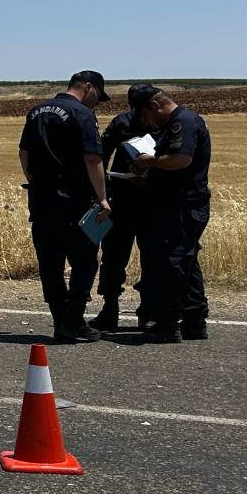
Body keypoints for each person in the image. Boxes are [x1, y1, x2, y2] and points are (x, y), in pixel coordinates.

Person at [18, 71, 112, 342]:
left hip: (41, 199)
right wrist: (103, 197)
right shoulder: (82, 114)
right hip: (75, 199)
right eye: (97, 96)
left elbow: (23, 152)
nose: (96, 103)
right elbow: (92, 157)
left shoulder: (36, 111)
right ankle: (73, 319)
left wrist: (34, 182)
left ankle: (61, 319)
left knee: (50, 262)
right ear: (88, 87)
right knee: (85, 259)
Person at [130, 85, 212, 343]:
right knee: (186, 261)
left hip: (182, 206)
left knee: (173, 263)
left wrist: (150, 162)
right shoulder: (176, 123)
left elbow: (181, 159)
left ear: (154, 106)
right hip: (177, 204)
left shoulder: (183, 122)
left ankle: (167, 323)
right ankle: (194, 320)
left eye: (146, 116)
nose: (147, 122)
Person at [89, 84, 155, 330]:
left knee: (151, 256)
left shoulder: (161, 123)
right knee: (114, 256)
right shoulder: (121, 123)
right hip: (122, 197)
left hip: (150, 199)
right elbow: (101, 155)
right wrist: (101, 191)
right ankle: (110, 308)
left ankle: (148, 311)